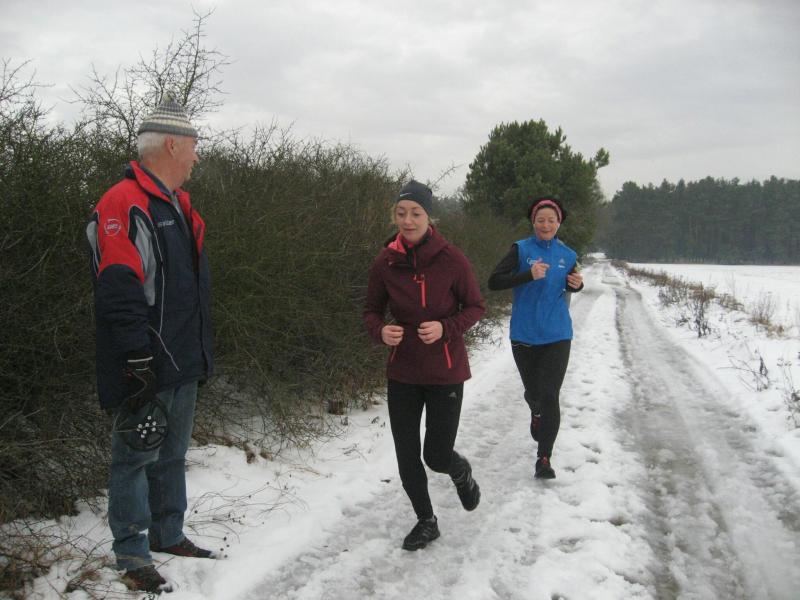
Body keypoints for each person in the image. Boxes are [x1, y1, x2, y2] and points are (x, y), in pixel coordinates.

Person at [86, 97, 215, 594]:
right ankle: (132, 552)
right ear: (172, 145)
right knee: (135, 457)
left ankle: (168, 532)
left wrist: (199, 352)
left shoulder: (180, 204)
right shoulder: (124, 203)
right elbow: (118, 288)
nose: (197, 157)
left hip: (183, 357)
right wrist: (135, 357)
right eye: (194, 146)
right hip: (145, 360)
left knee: (172, 454)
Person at [363, 180, 486, 551]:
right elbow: (370, 311)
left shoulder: (451, 259)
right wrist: (381, 331)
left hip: (444, 371)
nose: (408, 220)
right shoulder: (385, 261)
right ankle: (426, 521)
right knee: (406, 454)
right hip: (403, 370)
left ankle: (459, 470)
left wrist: (446, 328)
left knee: (436, 455)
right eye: (401, 213)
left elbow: (476, 306)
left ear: (429, 217)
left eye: (415, 213)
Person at [487, 197, 583, 480]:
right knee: (535, 394)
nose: (546, 225)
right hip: (524, 334)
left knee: (550, 394)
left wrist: (577, 285)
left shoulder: (568, 255)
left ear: (559, 223)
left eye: (551, 220)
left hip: (557, 334)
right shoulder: (520, 249)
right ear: (533, 222)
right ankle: (535, 410)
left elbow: (571, 284)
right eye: (541, 220)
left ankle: (544, 458)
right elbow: (494, 281)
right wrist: (527, 275)